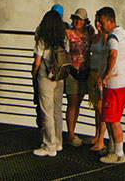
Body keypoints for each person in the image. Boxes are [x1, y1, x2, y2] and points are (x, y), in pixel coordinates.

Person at [96, 6, 125, 164]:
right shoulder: (123, 33)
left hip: (115, 84)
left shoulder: (112, 37)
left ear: (111, 21)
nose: (100, 24)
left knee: (113, 120)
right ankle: (112, 149)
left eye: (102, 21)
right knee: (111, 117)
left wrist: (106, 75)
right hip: (124, 81)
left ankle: (119, 154)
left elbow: (113, 55)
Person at [32, 9, 67, 157]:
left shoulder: (42, 40)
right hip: (60, 76)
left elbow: (37, 61)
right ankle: (58, 143)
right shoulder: (63, 38)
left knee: (47, 111)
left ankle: (49, 145)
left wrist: (33, 74)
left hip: (45, 76)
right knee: (57, 110)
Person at [65, 8, 93, 147]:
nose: (77, 21)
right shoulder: (68, 33)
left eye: (80, 19)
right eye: (76, 18)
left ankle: (73, 132)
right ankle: (70, 134)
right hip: (72, 71)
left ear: (85, 21)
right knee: (72, 102)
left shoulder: (90, 34)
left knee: (78, 103)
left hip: (85, 72)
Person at [85, 15, 108, 151]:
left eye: (100, 22)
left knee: (101, 109)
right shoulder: (95, 37)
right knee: (96, 108)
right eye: (97, 21)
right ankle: (96, 135)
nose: (98, 24)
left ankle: (101, 140)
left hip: (100, 75)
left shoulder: (106, 37)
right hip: (92, 74)